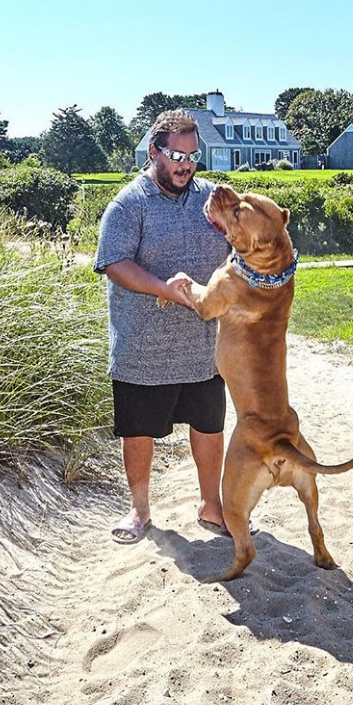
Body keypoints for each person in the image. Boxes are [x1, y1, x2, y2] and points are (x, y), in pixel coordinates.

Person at [93, 110, 231, 544]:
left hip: (205, 345)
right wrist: (166, 290)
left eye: (193, 155)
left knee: (209, 427)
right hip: (143, 347)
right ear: (154, 151)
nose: (185, 164)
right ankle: (139, 511)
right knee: (138, 431)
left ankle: (212, 505)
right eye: (176, 154)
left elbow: (239, 244)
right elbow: (115, 264)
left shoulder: (211, 199)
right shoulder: (129, 204)